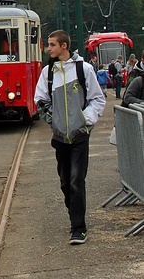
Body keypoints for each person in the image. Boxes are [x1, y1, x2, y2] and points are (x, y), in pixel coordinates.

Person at [34, 30, 105, 245]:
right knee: (65, 182)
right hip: (60, 138)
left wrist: (85, 120)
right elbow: (40, 99)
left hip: (80, 136)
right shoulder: (48, 72)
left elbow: (97, 99)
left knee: (76, 181)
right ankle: (73, 211)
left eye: (52, 45)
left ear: (64, 46)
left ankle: (78, 228)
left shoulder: (83, 69)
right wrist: (53, 120)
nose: (49, 48)